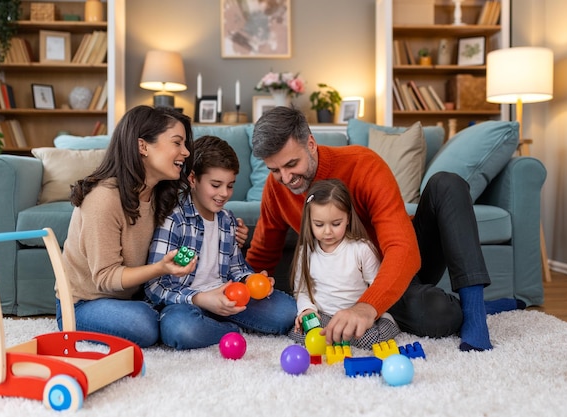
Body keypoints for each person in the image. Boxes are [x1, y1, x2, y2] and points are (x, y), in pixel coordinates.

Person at [246, 106, 524, 352]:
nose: (285, 178)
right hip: (349, 284)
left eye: (292, 164)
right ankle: (479, 308)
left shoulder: (363, 164)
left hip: (398, 266)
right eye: (275, 170)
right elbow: (262, 257)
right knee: (441, 317)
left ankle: (476, 312)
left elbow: (403, 249)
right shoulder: (276, 189)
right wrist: (238, 290)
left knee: (447, 184)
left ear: (310, 144)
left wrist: (367, 308)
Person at [57, 105, 198, 348]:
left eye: (185, 144)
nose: (185, 152)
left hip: (135, 297)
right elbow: (106, 278)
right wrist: (159, 269)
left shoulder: (159, 194)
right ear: (142, 146)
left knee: (166, 317)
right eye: (177, 142)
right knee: (142, 325)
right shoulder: (103, 199)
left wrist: (228, 230)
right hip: (84, 304)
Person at [144, 135, 296, 350]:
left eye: (230, 185)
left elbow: (236, 269)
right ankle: (230, 329)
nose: (224, 194)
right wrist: (200, 299)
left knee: (287, 311)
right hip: (186, 304)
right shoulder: (174, 219)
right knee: (180, 329)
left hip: (228, 295)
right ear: (193, 179)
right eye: (216, 185)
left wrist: (251, 278)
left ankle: (217, 322)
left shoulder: (227, 220)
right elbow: (154, 286)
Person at [288, 179, 401, 349]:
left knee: (370, 340)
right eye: (319, 224)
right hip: (325, 315)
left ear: (348, 218)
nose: (327, 231)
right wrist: (307, 310)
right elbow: (302, 290)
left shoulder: (361, 249)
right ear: (309, 221)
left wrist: (370, 313)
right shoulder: (306, 252)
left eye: (336, 224)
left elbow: (377, 287)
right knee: (298, 333)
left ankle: (387, 321)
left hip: (356, 316)